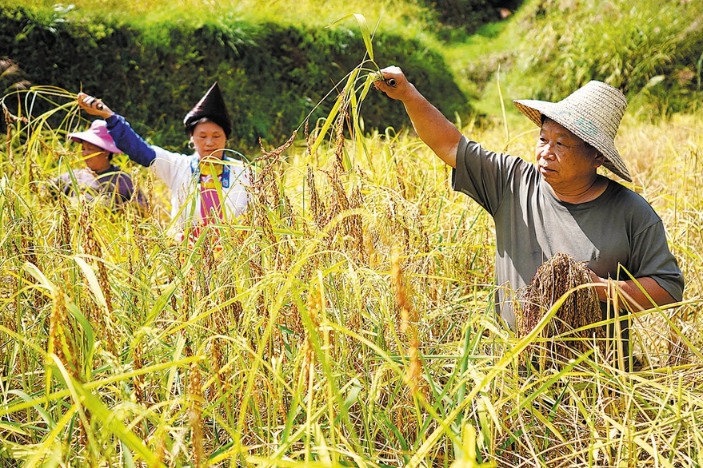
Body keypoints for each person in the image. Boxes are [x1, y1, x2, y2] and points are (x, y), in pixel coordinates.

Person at [374, 67, 684, 359]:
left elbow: (668, 288)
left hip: (595, 383)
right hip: (512, 367)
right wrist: (408, 94)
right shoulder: (513, 182)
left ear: (597, 156)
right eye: (543, 139)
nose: (546, 152)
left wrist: (600, 289)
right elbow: (450, 145)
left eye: (561, 143)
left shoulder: (631, 212)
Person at [76, 82, 249, 240]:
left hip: (232, 263)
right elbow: (140, 150)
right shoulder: (178, 166)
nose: (209, 142)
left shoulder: (244, 172)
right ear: (191, 139)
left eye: (216, 136)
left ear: (227, 138)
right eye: (202, 136)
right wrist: (109, 115)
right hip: (187, 257)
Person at [51, 119, 146, 208]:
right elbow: (45, 190)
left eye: (90, 149)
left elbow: (143, 207)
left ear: (106, 152)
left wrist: (122, 209)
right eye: (83, 149)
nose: (85, 153)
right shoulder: (74, 176)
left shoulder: (122, 180)